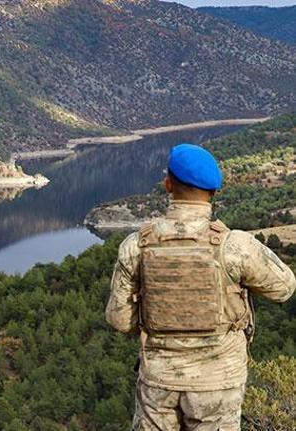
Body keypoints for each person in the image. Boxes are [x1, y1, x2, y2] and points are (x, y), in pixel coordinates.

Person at [106, 143, 296, 431]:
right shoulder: (235, 246)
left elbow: (119, 320)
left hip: (159, 381)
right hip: (219, 382)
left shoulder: (137, 245)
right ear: (214, 192)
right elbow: (284, 289)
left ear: (168, 184)